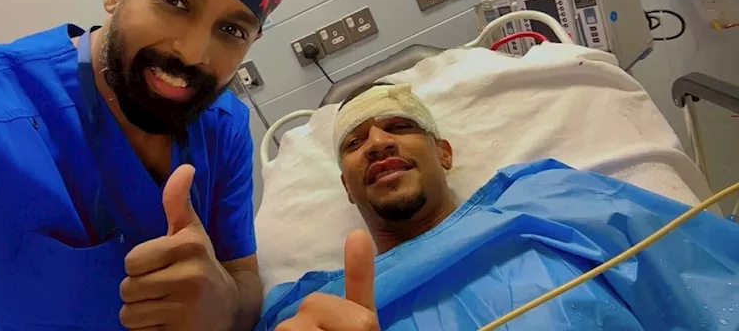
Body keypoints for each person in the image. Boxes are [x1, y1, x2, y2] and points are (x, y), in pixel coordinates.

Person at [0, 0, 291, 329]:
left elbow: (243, 279)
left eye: (232, 30)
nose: (192, 53)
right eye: (174, 0)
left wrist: (227, 306)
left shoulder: (224, 127)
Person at [257, 82, 739, 330]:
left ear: (445, 154)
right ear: (347, 187)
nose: (379, 143)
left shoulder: (549, 200)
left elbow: (704, 285)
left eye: (400, 127)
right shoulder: (312, 311)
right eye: (355, 142)